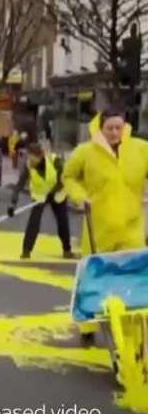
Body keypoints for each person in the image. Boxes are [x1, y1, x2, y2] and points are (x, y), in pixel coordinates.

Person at [63, 108, 148, 344]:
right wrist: (81, 197)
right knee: (95, 276)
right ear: (100, 128)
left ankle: (134, 329)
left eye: (118, 127)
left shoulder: (140, 149)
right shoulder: (86, 152)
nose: (114, 132)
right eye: (109, 128)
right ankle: (88, 326)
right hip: (98, 226)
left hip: (131, 226)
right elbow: (69, 177)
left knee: (135, 275)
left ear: (125, 128)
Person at [8, 143, 76, 260]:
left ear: (40, 156)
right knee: (34, 222)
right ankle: (26, 251)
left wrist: (52, 192)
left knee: (62, 222)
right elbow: (19, 185)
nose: (30, 161)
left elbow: (65, 177)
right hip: (39, 196)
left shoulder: (55, 161)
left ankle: (67, 250)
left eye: (33, 159)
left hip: (58, 194)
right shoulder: (28, 165)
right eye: (28, 157)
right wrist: (13, 204)